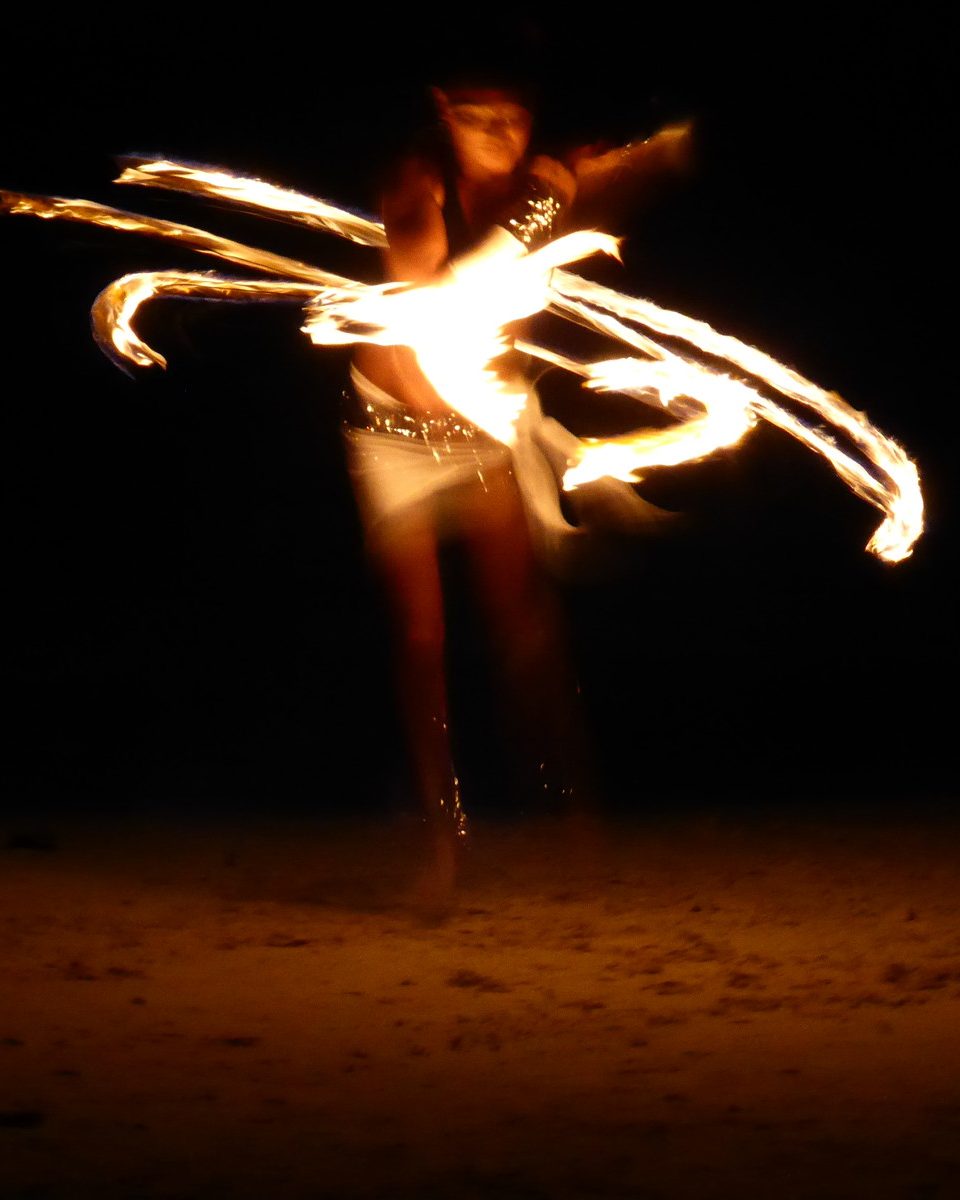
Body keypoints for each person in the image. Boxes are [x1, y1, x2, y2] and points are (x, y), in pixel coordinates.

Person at [345, 76, 689, 915]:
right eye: (477, 117)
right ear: (441, 112)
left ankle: (572, 818)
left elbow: (630, 171)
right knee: (422, 641)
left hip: (483, 422)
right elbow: (432, 288)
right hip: (390, 430)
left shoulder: (541, 182)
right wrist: (541, 205)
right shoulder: (415, 186)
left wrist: (647, 157)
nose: (498, 132)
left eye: (515, 117)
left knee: (524, 629)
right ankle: (440, 840)